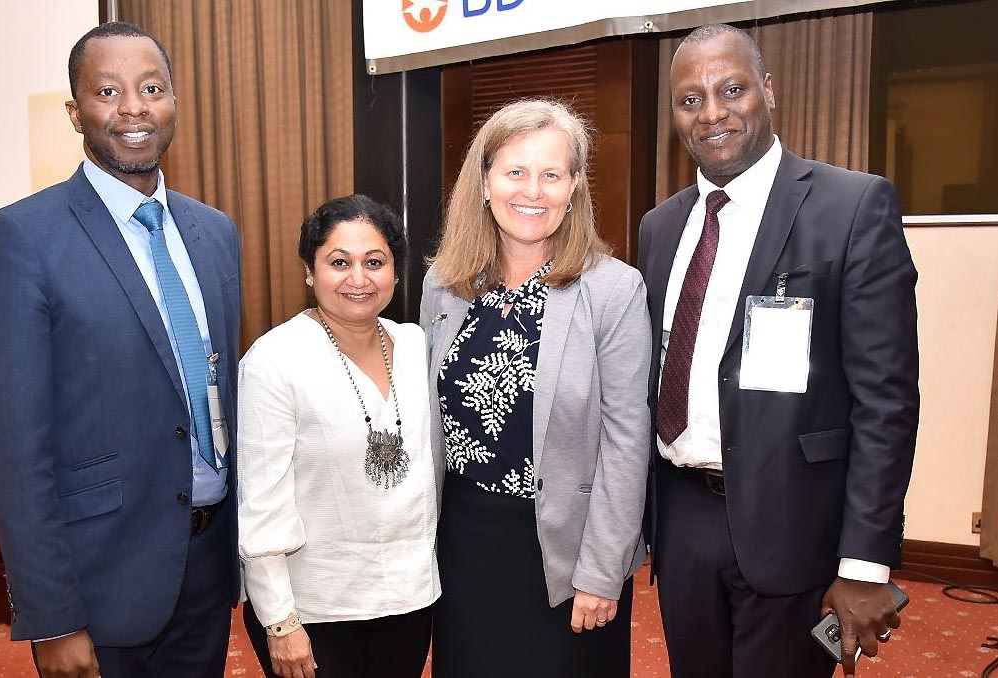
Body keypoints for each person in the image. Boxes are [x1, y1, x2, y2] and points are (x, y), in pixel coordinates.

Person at [638, 24, 919, 678]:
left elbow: (885, 402)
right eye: (689, 99)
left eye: (730, 89)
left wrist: (864, 565)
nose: (711, 112)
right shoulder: (660, 227)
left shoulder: (850, 207)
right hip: (680, 521)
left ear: (766, 90)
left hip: (795, 524)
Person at [0, 21, 242, 678]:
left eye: (151, 88)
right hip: (99, 579)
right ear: (76, 112)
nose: (133, 109)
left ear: (174, 101)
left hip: (206, 569)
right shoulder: (23, 238)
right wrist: (51, 612)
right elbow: (14, 449)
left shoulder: (214, 233)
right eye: (108, 91)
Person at [420, 99, 651, 677]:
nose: (533, 190)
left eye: (552, 174)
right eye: (515, 171)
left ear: (574, 187)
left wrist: (602, 571)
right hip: (464, 547)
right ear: (484, 182)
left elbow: (627, 440)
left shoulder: (613, 290)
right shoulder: (444, 286)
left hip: (568, 556)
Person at [236, 194, 439, 678]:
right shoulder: (275, 360)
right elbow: (263, 501)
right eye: (338, 262)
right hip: (316, 608)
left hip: (409, 599)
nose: (358, 279)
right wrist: (280, 622)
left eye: (374, 262)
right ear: (309, 271)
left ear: (395, 270)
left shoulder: (416, 346)